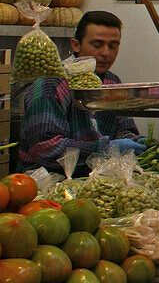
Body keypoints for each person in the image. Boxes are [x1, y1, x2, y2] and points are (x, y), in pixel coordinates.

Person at [18, 11, 145, 175]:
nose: (106, 53)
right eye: (97, 45)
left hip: (95, 180)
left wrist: (135, 141)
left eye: (113, 46)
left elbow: (124, 130)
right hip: (45, 183)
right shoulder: (50, 85)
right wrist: (107, 148)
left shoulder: (112, 83)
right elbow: (46, 150)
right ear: (76, 45)